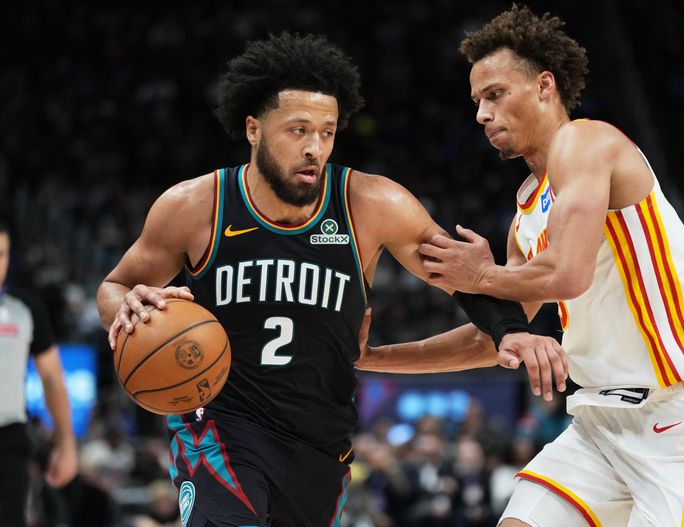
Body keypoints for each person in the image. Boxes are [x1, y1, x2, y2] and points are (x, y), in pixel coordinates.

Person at [96, 33, 568, 527]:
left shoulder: (372, 204)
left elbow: (461, 279)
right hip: (220, 424)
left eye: (326, 131)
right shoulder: (194, 207)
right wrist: (126, 306)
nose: (313, 147)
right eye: (297, 130)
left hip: (321, 439)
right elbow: (114, 287)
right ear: (253, 129)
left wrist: (509, 329)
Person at [419, 5, 684, 527]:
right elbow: (497, 337)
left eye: (495, 95)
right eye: (477, 101)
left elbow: (567, 273)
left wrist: (481, 276)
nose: (481, 114)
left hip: (683, 412)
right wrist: (364, 355)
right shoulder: (526, 209)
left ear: (544, 86)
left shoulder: (589, 140)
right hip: (598, 423)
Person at [0, 216, 79, 526]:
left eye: (2, 254)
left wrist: (66, 444)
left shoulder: (25, 309)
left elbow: (52, 379)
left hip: (7, 436)